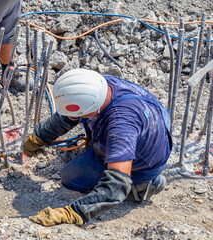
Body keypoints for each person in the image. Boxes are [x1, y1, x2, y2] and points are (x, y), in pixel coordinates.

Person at [23, 69, 172, 226]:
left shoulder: (121, 126)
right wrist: (39, 137)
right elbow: (68, 116)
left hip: (142, 163)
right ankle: (98, 151)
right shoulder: (97, 86)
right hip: (147, 135)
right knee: (79, 145)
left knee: (70, 176)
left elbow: (117, 184)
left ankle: (142, 186)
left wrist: (75, 212)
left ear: (92, 108)